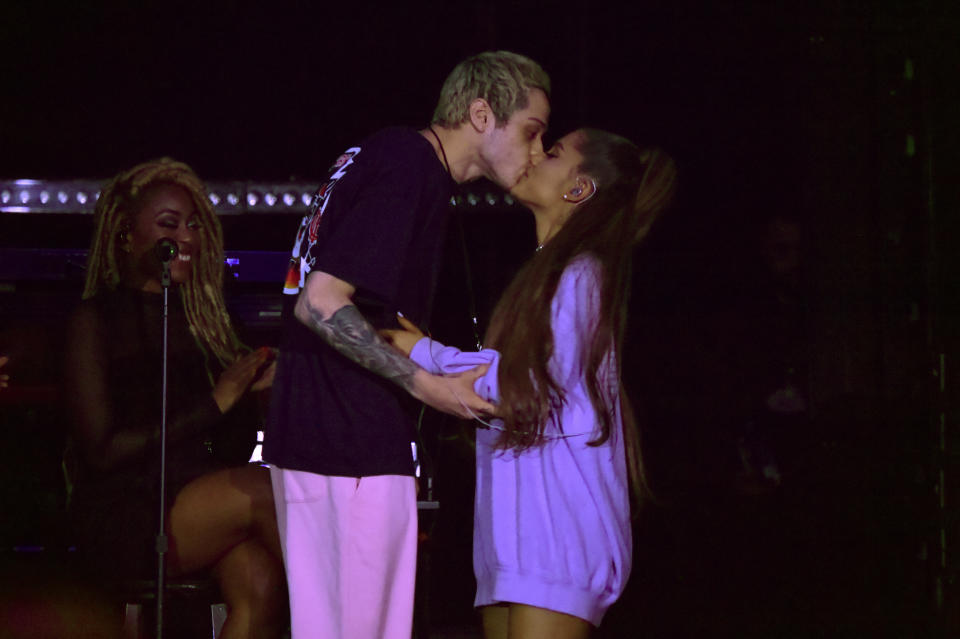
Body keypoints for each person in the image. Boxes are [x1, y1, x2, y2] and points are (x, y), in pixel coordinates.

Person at [262, 50, 551, 639]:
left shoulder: (387, 156)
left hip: (314, 430)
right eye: (532, 131)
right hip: (348, 439)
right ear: (481, 113)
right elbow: (319, 301)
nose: (537, 152)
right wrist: (432, 389)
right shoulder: (408, 164)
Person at [382, 128, 677, 638]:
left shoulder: (582, 276)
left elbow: (533, 387)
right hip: (515, 543)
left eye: (554, 151)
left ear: (578, 189)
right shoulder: (551, 274)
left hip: (556, 546)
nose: (537, 154)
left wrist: (425, 353)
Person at [64, 158, 286, 639]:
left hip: (199, 504)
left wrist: (250, 399)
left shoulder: (209, 324)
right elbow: (102, 452)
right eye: (169, 225)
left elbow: (226, 451)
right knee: (267, 490)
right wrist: (215, 402)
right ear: (127, 235)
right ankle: (348, 622)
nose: (186, 237)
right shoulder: (94, 321)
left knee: (261, 583)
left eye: (193, 225)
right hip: (126, 510)